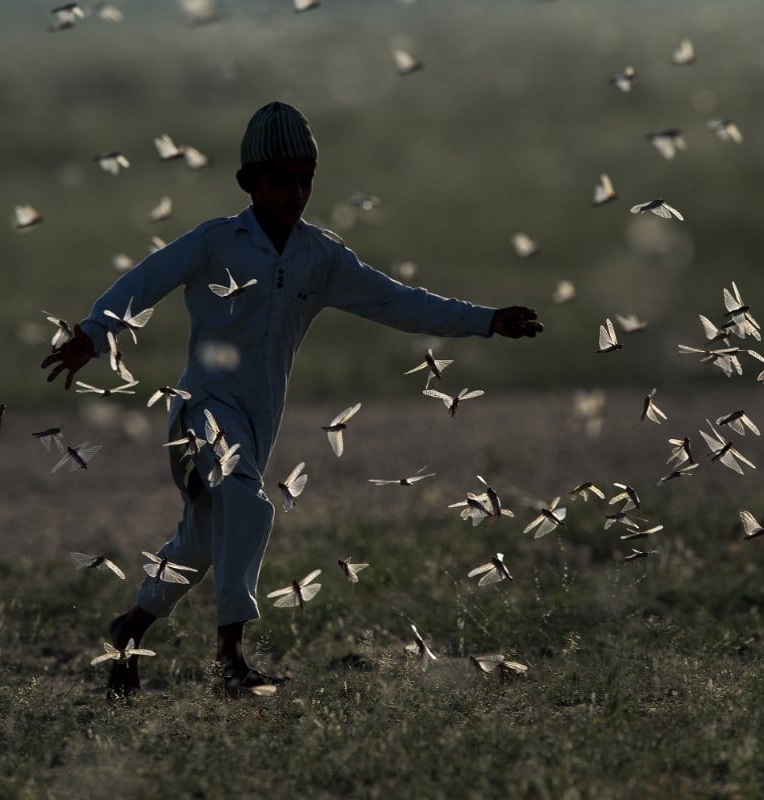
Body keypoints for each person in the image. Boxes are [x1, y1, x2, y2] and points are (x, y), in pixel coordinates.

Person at [41, 101, 542, 697]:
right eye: (283, 178)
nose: (297, 191)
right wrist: (93, 336)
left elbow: (401, 302)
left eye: (307, 178)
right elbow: (143, 282)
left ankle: (130, 628)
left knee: (201, 546)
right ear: (249, 182)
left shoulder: (320, 257)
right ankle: (229, 664)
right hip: (197, 415)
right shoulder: (215, 243)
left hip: (254, 429)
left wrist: (487, 321)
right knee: (251, 508)